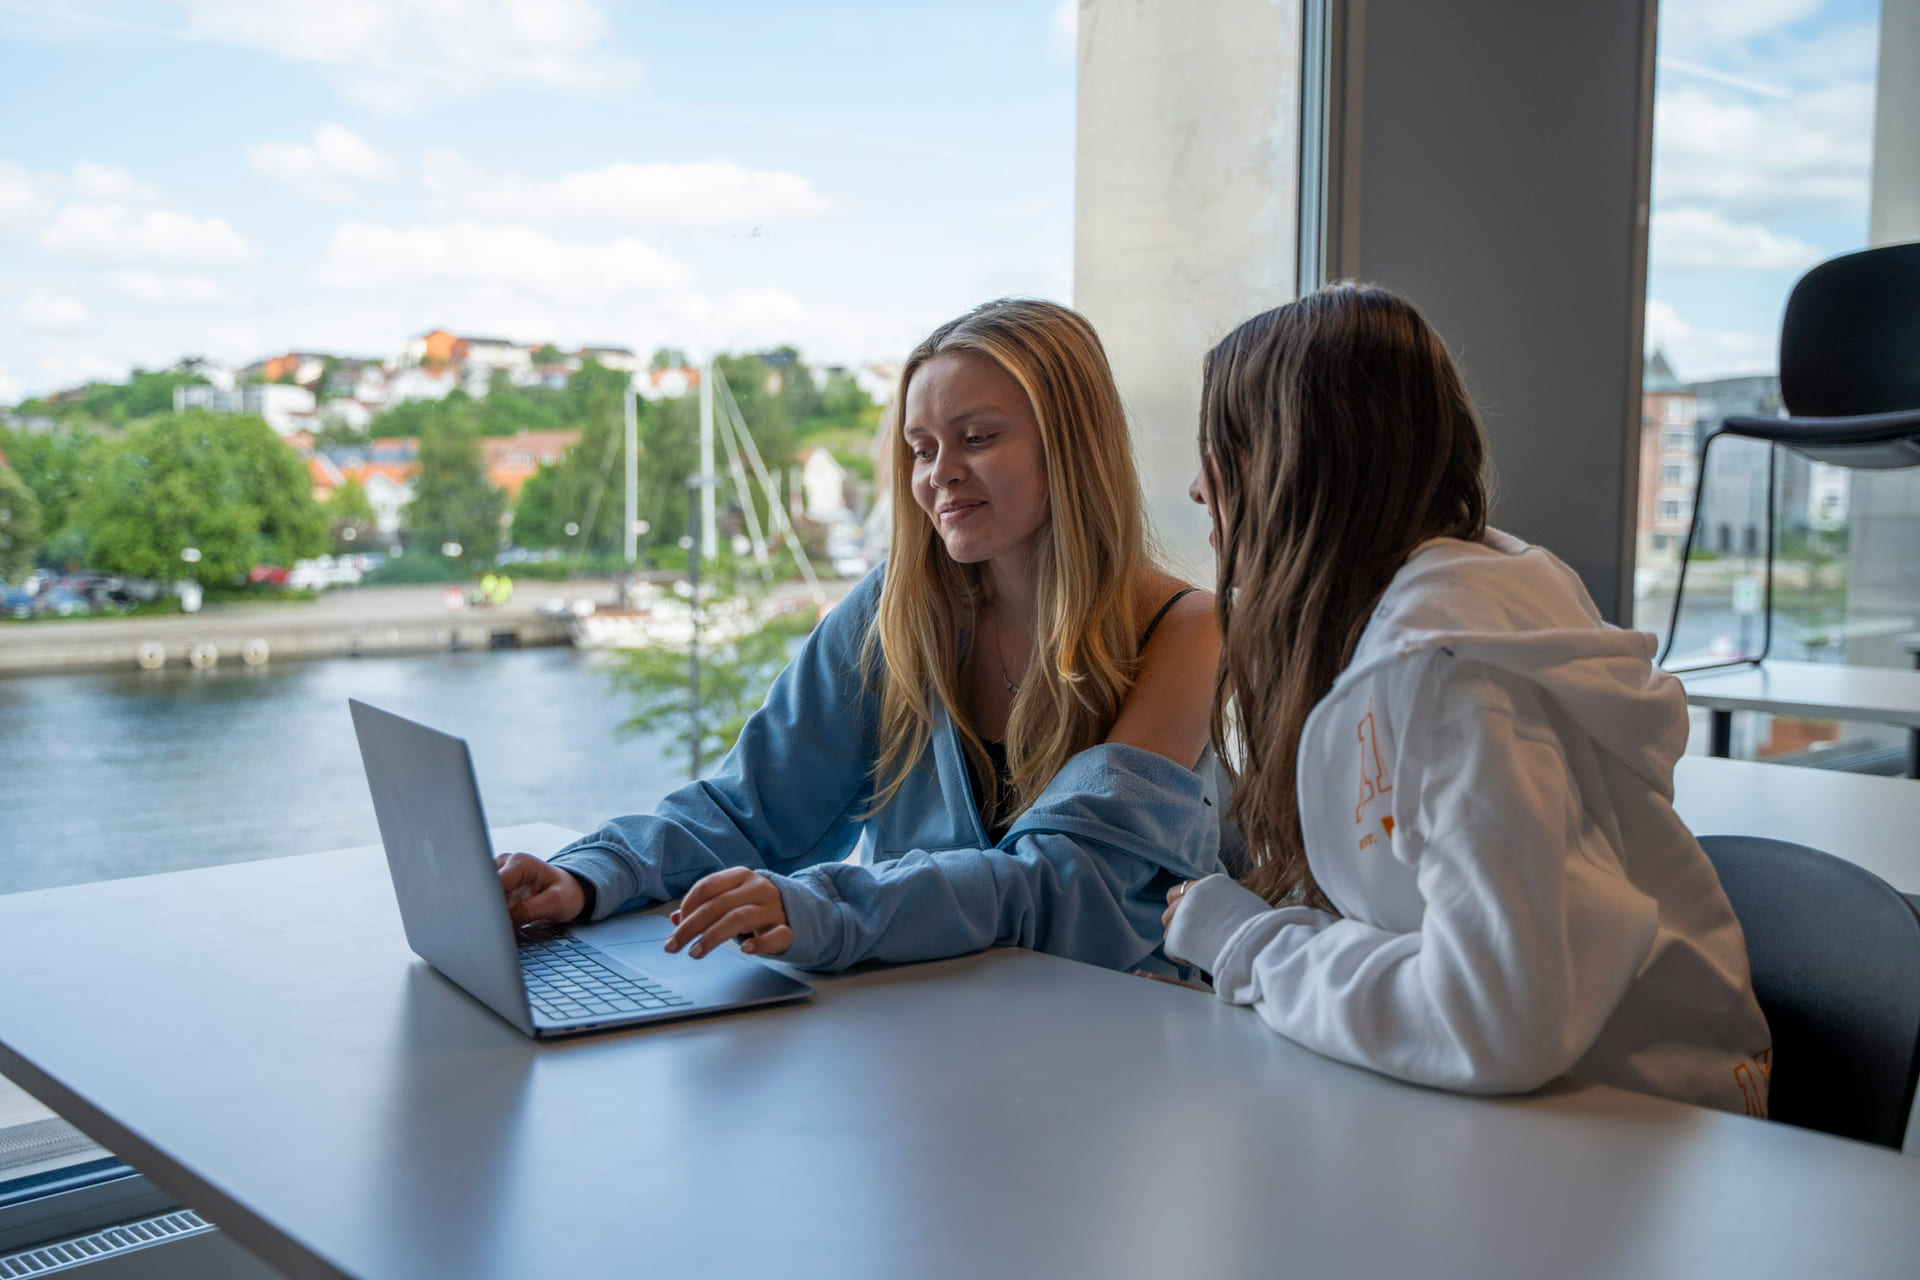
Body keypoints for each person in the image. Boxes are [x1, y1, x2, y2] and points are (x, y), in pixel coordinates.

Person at [1160, 284, 1772, 1117]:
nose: (1199, 487)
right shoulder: (1411, 634)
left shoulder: (1453, 676)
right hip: (1550, 1117)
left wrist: (1245, 941)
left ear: (1300, 463)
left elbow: (1493, 1018)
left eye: (1222, 447)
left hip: (1625, 1129)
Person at [497, 298, 1224, 974]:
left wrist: (829, 908)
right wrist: (589, 876)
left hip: (1117, 1043)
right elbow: (753, 802)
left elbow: (1071, 884)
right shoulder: (900, 607)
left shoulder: (1187, 632)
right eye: (921, 448)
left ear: (1072, 444)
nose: (941, 474)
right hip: (922, 1031)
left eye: (976, 438)